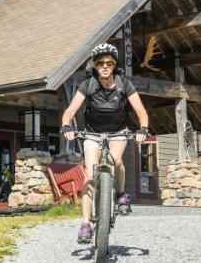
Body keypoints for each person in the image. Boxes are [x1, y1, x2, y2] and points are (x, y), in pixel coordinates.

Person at [59, 42, 150, 245]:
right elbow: (70, 110)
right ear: (95, 66)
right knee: (90, 174)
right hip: (92, 133)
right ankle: (84, 225)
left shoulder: (124, 84)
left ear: (114, 64)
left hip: (118, 132)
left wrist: (143, 129)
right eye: (101, 63)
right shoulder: (88, 85)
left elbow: (142, 112)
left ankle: (120, 195)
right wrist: (67, 125)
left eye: (109, 62)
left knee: (116, 160)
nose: (105, 66)